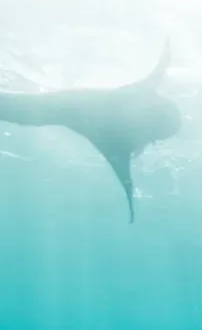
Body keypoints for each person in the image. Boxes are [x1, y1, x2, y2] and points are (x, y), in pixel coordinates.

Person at [0, 41, 181, 223]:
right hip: (42, 111)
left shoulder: (120, 141)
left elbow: (160, 69)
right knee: (17, 109)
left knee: (17, 109)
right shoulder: (124, 135)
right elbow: (160, 68)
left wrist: (130, 199)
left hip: (43, 110)